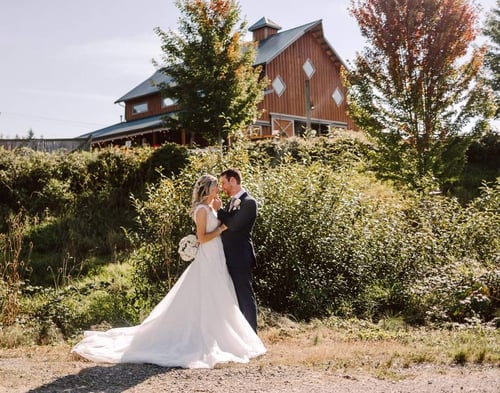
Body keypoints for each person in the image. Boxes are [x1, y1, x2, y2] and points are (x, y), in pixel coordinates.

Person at [71, 174, 266, 369]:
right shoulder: (201, 210)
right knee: (209, 295)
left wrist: (219, 215)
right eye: (217, 186)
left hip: (218, 258)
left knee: (221, 297)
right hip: (209, 257)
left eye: (221, 184)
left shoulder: (215, 207)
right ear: (208, 189)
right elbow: (203, 237)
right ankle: (203, 338)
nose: (219, 188)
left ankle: (225, 338)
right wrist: (221, 228)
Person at [213, 168, 259, 332]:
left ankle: (252, 335)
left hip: (240, 258)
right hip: (227, 257)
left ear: (233, 180)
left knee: (245, 297)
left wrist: (219, 211)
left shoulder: (249, 203)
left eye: (224, 183)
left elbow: (233, 225)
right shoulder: (231, 202)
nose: (222, 187)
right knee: (233, 298)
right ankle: (239, 334)